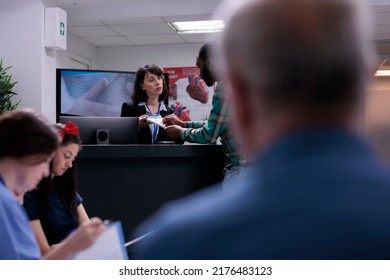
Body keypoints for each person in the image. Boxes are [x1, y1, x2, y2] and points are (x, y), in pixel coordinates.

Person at [133, 0, 390, 259]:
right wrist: (186, 124)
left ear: (240, 100)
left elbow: (212, 132)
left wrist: (183, 130)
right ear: (364, 84)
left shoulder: (176, 243)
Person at [0, 109, 105, 259]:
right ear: (26, 152)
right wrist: (72, 245)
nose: (45, 172)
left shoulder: (9, 199)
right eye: (45, 160)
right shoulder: (6, 202)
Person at [163, 43, 242, 191]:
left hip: (240, 172)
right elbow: (216, 122)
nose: (199, 73)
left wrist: (181, 133)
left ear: (210, 63)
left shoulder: (225, 87)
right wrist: (184, 124)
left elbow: (209, 135)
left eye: (199, 66)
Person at [23, 121, 89, 255]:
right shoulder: (28, 195)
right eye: (67, 156)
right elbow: (44, 252)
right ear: (50, 153)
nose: (69, 165)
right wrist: (78, 243)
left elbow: (87, 227)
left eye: (73, 159)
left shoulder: (64, 187)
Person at [121, 64, 177, 144]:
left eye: (159, 78)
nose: (158, 82)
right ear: (142, 86)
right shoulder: (129, 108)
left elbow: (177, 141)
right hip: (138, 155)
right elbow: (122, 138)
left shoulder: (169, 112)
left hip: (162, 155)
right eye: (151, 80)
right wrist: (135, 126)